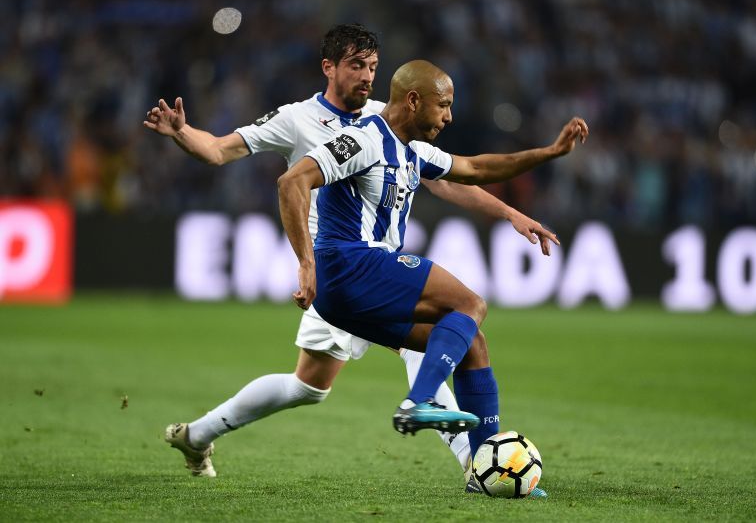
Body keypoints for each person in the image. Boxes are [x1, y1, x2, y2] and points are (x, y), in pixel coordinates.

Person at [143, 24, 554, 490]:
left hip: (376, 265)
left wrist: (508, 213)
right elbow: (218, 150)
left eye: (373, 67)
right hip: (334, 267)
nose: (367, 77)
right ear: (329, 67)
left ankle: (196, 436)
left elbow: (445, 177)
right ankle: (474, 458)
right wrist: (183, 133)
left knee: (429, 345)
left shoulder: (389, 115)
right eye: (357, 65)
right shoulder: (297, 119)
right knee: (317, 384)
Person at [277, 59, 588, 497]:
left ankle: (484, 473)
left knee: (472, 344)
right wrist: (305, 263)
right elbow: (292, 181)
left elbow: (479, 170)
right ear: (413, 100)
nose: (449, 117)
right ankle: (420, 400)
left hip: (345, 295)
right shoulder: (362, 139)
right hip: (349, 266)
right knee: (471, 305)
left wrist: (550, 153)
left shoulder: (414, 150)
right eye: (443, 106)